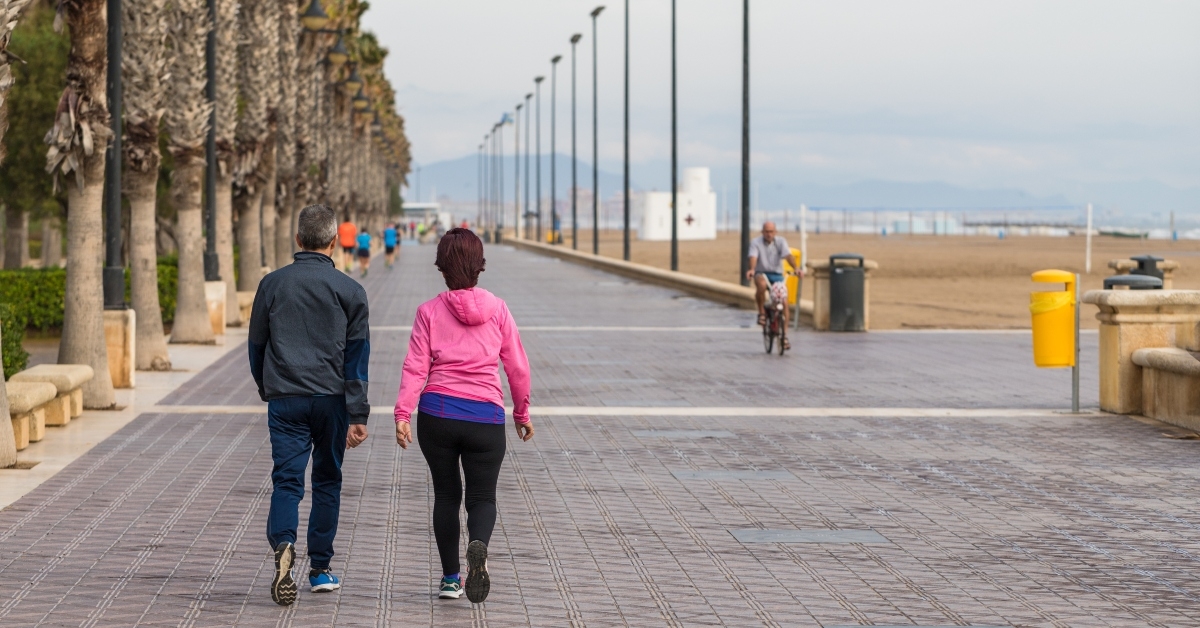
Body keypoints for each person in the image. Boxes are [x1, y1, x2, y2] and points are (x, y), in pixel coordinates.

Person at [393, 228, 533, 604]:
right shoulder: (499, 309)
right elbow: (517, 367)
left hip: (437, 414)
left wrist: (403, 412)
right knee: (482, 496)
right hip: (485, 416)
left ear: (442, 267)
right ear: (479, 265)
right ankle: (479, 545)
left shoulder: (428, 311)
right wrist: (521, 412)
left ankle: (451, 579)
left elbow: (415, 367)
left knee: (445, 495)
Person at [249, 204, 371, 606]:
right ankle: (320, 569)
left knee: (287, 481)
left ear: (298, 239)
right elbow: (356, 359)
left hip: (285, 399)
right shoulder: (351, 291)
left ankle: (283, 545)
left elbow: (257, 346)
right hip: (332, 401)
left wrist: (268, 388)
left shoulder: (272, 285)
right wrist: (358, 414)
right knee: (326, 482)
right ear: (334, 242)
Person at [746, 221, 799, 349]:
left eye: (771, 232)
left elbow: (787, 255)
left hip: (777, 274)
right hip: (761, 273)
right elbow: (753, 256)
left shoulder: (781, 241)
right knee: (762, 285)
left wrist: (796, 268)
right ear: (762, 232)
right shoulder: (756, 242)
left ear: (775, 232)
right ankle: (762, 313)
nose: (769, 234)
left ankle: (784, 336)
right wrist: (752, 269)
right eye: (766, 232)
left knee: (784, 302)